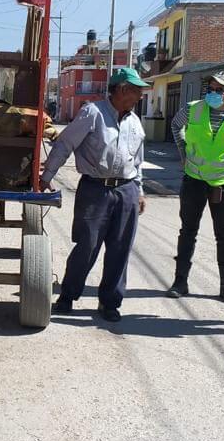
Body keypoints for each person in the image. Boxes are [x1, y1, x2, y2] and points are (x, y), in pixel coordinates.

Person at [38, 67, 149, 322]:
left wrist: (139, 191)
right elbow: (65, 144)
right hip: (95, 189)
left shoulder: (134, 121)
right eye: (136, 91)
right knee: (87, 246)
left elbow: (138, 160)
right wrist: (46, 177)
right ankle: (68, 296)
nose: (140, 96)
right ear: (122, 90)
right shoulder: (93, 112)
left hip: (127, 190)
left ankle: (110, 302)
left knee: (120, 249)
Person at [167, 71, 224, 304]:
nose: (214, 93)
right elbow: (176, 126)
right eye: (211, 89)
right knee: (188, 231)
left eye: (220, 90)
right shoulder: (193, 108)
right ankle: (180, 282)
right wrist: (183, 153)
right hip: (194, 178)